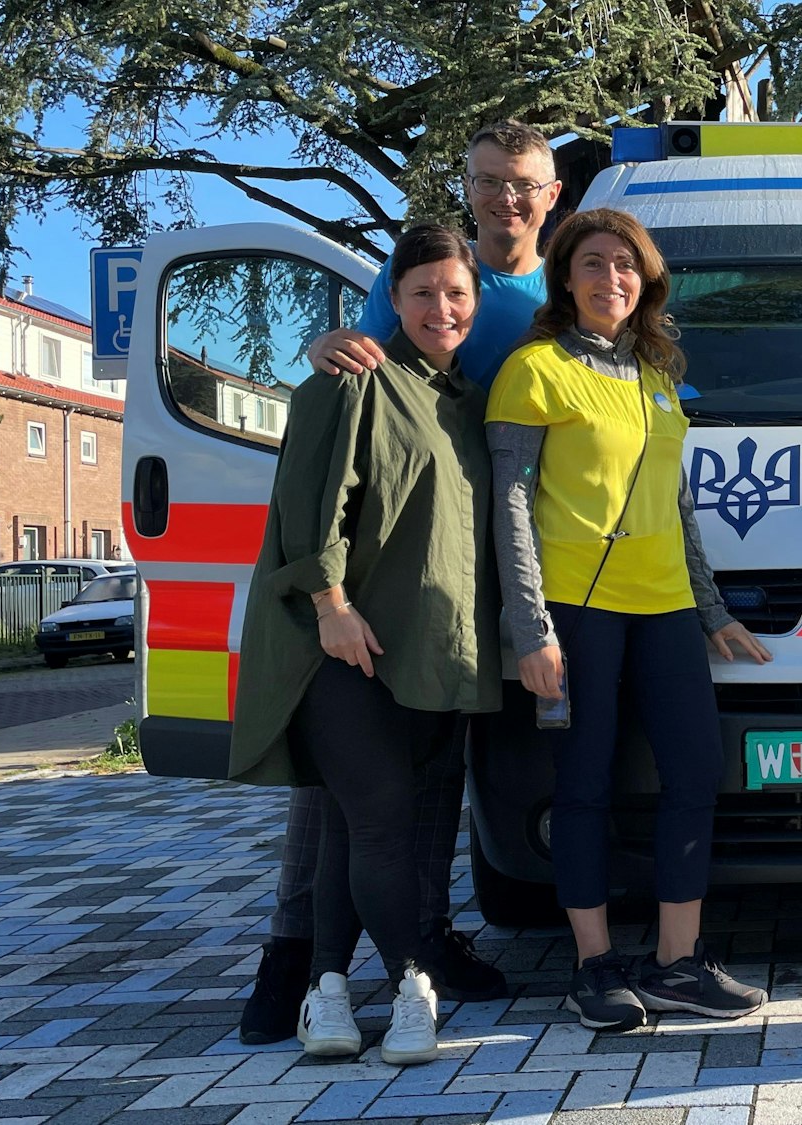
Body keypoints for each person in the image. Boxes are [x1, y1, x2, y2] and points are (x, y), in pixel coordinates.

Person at [239, 119, 563, 1044]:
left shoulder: (563, 289)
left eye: (525, 183)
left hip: (474, 584)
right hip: (380, 590)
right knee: (345, 796)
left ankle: (419, 938)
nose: (507, 197)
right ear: (469, 188)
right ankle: (297, 959)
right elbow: (350, 388)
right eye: (490, 180)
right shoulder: (424, 276)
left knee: (428, 785)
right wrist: (322, 342)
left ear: (552, 196)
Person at [485, 207, 772, 1032]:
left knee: (694, 772)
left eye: (624, 264)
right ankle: (595, 965)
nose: (610, 277)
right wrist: (531, 627)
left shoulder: (654, 373)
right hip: (577, 608)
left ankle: (678, 963)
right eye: (593, 262)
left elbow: (677, 505)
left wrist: (710, 608)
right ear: (565, 277)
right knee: (584, 784)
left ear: (645, 280)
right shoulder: (533, 369)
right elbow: (510, 508)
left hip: (666, 606)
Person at [230, 222, 502, 1065]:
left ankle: (326, 990)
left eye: (456, 292)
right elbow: (308, 501)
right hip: (345, 648)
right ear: (392, 298)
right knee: (382, 824)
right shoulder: (353, 379)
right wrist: (331, 603)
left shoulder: (467, 403)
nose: (441, 307)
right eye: (422, 292)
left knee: (357, 831)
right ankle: (414, 988)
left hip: (429, 653)